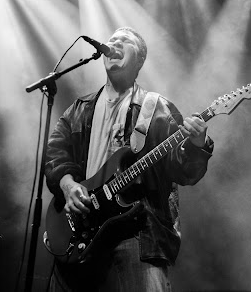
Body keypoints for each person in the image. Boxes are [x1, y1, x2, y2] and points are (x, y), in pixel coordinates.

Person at [45, 27, 214, 291]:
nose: (114, 43)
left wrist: (196, 144)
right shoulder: (80, 108)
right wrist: (68, 186)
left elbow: (183, 172)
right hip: (82, 230)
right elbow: (55, 152)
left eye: (125, 41)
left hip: (138, 233)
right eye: (112, 41)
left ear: (140, 60)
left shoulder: (156, 108)